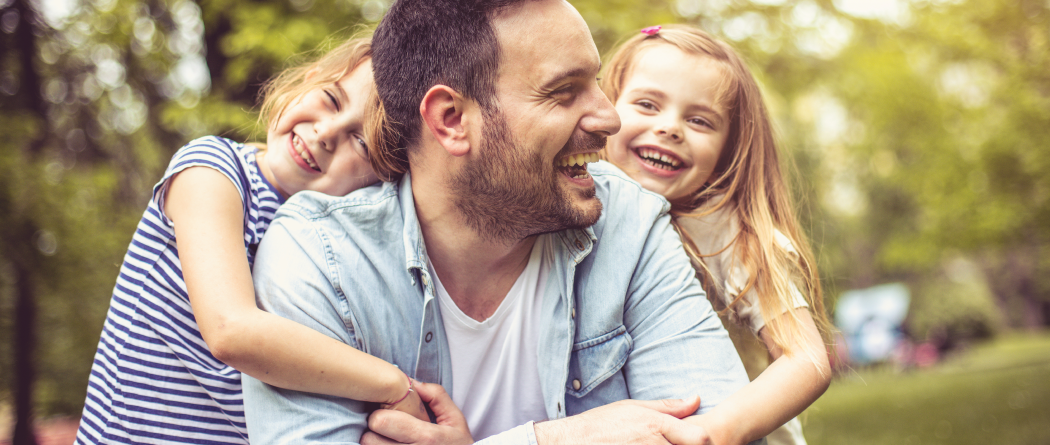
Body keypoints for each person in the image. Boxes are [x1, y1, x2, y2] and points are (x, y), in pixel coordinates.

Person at [242, 2, 758, 445]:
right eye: (564, 91)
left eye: (595, 83)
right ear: (451, 120)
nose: (609, 118)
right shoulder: (318, 260)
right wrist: (550, 438)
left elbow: (711, 430)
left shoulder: (628, 221)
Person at [75, 34, 429, 445]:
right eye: (332, 100)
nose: (326, 132)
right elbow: (231, 330)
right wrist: (390, 383)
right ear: (308, 80)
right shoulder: (212, 171)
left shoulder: (331, 250)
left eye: (361, 141)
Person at [601, 25, 835, 445]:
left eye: (699, 120)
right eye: (648, 104)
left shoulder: (731, 235)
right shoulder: (583, 220)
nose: (670, 128)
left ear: (729, 148)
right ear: (605, 108)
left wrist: (714, 431)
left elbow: (806, 359)